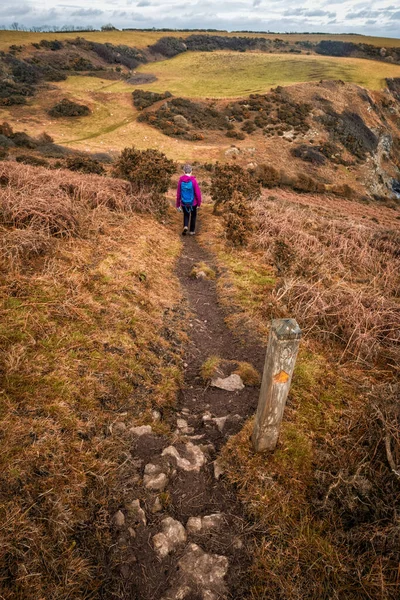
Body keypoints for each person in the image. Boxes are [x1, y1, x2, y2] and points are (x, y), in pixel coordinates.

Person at [176, 163, 202, 236]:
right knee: (193, 215)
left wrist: (178, 205)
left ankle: (185, 226)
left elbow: (178, 194)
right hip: (193, 203)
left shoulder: (180, 181)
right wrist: (199, 203)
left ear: (184, 172)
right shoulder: (193, 181)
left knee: (186, 215)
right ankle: (192, 231)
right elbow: (198, 193)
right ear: (191, 171)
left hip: (184, 203)